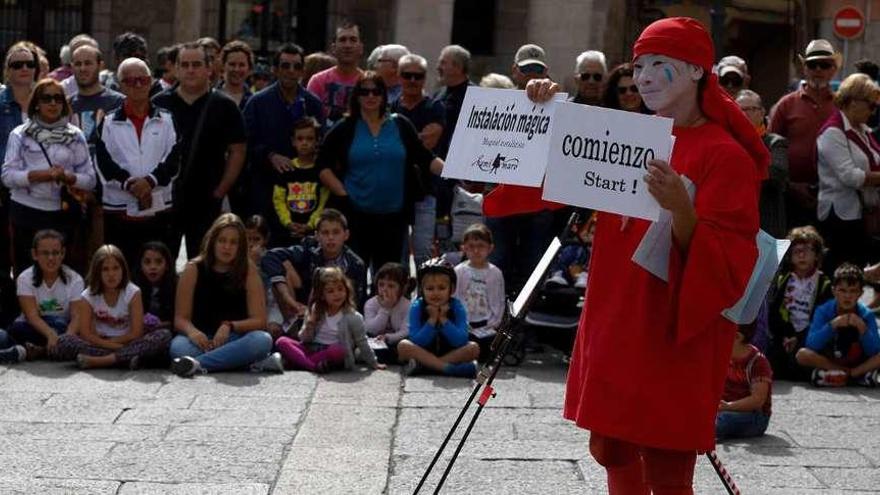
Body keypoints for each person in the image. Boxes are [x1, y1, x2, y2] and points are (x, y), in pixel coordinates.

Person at [528, 17, 769, 492]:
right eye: (639, 66)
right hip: (616, 312)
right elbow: (546, 169)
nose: (644, 77)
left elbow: (731, 261)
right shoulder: (631, 135)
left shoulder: (726, 156)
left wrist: (682, 208)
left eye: (660, 64)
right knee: (610, 445)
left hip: (673, 325)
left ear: (699, 71)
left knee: (667, 456)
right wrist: (540, 108)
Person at [317, 72, 445, 272]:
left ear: (383, 95)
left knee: (388, 278)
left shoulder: (400, 124)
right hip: (356, 216)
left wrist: (458, 170)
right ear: (357, 96)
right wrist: (343, 193)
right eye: (364, 91)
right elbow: (322, 164)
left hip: (393, 217)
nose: (370, 96)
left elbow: (425, 158)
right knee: (354, 275)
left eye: (376, 91)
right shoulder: (346, 127)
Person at [153, 41, 247, 259]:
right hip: (166, 201)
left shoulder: (225, 106)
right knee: (161, 264)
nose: (190, 70)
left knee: (205, 265)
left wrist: (220, 190)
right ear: (175, 69)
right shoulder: (159, 103)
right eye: (184, 65)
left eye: (196, 64)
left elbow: (238, 150)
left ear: (209, 68)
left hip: (207, 201)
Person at [169, 213, 282, 376]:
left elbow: (259, 320)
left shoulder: (248, 270)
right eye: (222, 241)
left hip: (234, 338)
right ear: (213, 241)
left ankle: (197, 364)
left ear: (240, 246)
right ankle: (246, 363)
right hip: (201, 339)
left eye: (233, 242)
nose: (227, 247)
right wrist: (193, 332)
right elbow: (180, 319)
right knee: (178, 348)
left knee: (262, 340)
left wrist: (229, 326)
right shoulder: (193, 268)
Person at [2, 78, 95, 275]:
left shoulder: (75, 135)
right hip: (26, 212)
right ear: (36, 102)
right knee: (27, 273)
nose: (53, 103)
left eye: (58, 98)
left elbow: (90, 179)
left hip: (63, 213)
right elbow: (8, 176)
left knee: (66, 273)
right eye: (46, 98)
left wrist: (68, 177)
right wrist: (39, 175)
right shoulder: (20, 134)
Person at [96, 57, 180, 270]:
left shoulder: (168, 119)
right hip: (119, 210)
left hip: (159, 208)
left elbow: (174, 159)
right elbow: (103, 163)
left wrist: (150, 182)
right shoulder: (107, 122)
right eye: (130, 81)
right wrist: (131, 184)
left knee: (157, 272)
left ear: (151, 81)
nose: (137, 85)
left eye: (142, 80)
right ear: (120, 84)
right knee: (119, 271)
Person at [49, 244, 172, 369]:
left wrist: (114, 343)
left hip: (127, 341)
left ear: (123, 269)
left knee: (163, 335)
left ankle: (104, 361)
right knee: (64, 341)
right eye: (105, 269)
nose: (111, 274)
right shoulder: (87, 296)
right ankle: (126, 358)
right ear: (97, 272)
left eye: (115, 268)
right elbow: (86, 334)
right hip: (99, 343)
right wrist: (111, 346)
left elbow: (136, 332)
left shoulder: (133, 292)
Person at [243, 42, 324, 219]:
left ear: (303, 71)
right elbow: (246, 142)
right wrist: (270, 155)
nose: (291, 71)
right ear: (275, 70)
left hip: (304, 191)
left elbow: (322, 143)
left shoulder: (313, 104)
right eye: (285, 65)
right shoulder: (257, 103)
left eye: (297, 66)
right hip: (265, 187)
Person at [770, 39, 840, 230]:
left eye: (824, 65)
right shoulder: (786, 104)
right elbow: (770, 147)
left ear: (833, 69)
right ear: (804, 68)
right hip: (791, 196)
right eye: (812, 64)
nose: (818, 69)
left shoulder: (841, 104)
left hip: (832, 197)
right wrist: (790, 185)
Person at [816, 73, 880, 272]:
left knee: (858, 272)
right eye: (871, 105)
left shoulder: (863, 130)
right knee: (842, 272)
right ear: (853, 102)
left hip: (862, 214)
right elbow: (851, 177)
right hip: (841, 218)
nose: (873, 111)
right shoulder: (832, 133)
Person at [389, 53, 446, 266]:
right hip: (396, 191)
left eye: (418, 76)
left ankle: (426, 298)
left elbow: (427, 144)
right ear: (398, 76)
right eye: (407, 75)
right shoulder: (391, 107)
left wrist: (402, 140)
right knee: (398, 254)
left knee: (423, 252)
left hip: (425, 189)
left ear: (424, 78)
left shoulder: (434, 106)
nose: (412, 80)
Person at [275, 267, 384, 373]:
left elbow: (362, 342)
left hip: (332, 351)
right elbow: (304, 339)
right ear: (322, 295)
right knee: (282, 341)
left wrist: (373, 362)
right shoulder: (315, 309)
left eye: (340, 289)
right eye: (330, 291)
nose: (337, 294)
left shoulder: (353, 316)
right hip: (312, 348)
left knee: (338, 351)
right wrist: (310, 323)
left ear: (346, 290)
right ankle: (313, 366)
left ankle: (298, 362)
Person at [262, 208, 367, 316]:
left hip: (341, 317)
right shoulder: (309, 250)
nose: (330, 238)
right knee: (286, 265)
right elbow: (270, 256)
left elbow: (356, 304)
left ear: (346, 235)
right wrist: (287, 297)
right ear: (317, 236)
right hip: (306, 311)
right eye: (325, 233)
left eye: (336, 232)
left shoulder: (356, 264)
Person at [0, 230, 83, 363]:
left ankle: (34, 351)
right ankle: (26, 351)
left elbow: (77, 317)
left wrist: (67, 339)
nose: (51, 258)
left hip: (63, 330)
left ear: (63, 254)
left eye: (55, 253)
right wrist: (50, 334)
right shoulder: (25, 278)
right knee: (5, 335)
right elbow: (31, 316)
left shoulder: (75, 279)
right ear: (35, 254)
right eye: (45, 253)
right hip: (33, 328)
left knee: (64, 325)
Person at [796, 263, 880, 387]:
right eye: (842, 290)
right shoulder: (823, 310)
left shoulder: (866, 315)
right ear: (834, 291)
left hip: (858, 362)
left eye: (853, 291)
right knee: (802, 354)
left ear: (860, 293)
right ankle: (849, 374)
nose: (847, 296)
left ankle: (849, 374)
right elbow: (811, 344)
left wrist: (862, 328)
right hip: (830, 360)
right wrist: (833, 325)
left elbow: (874, 350)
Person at [767, 226, 832, 380]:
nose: (802, 255)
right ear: (790, 256)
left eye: (807, 250)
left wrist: (799, 337)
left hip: (810, 335)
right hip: (785, 335)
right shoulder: (784, 280)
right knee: (772, 362)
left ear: (816, 255)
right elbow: (774, 311)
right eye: (797, 251)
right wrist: (786, 334)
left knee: (799, 361)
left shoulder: (823, 283)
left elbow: (822, 317)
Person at [0, 42, 40, 289]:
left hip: (39, 191)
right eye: (17, 64)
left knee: (31, 254)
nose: (24, 68)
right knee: (4, 254)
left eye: (29, 64)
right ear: (7, 71)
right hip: (4, 190)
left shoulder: (48, 99)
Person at [397, 258, 480, 377]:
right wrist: (431, 320)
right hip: (423, 352)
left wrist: (443, 320)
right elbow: (417, 340)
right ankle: (449, 369)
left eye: (441, 288)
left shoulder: (456, 306)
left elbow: (461, 340)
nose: (436, 293)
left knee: (473, 348)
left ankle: (426, 367)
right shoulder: (417, 306)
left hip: (450, 352)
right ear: (422, 289)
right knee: (403, 346)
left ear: (451, 289)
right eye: (430, 289)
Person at [737, 89, 789, 238]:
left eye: (752, 109)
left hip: (766, 225)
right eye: (741, 109)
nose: (746, 114)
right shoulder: (727, 141)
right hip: (737, 221)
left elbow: (776, 173)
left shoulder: (775, 143)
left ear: (762, 112)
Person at [271, 117, 327, 247]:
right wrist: (288, 223)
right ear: (293, 141)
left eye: (310, 139)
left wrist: (310, 225)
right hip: (287, 234)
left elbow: (323, 202)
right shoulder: (286, 169)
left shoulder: (322, 171)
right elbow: (278, 199)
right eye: (300, 139)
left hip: (314, 234)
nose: (305, 143)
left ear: (317, 141)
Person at [715, 322, 772, 440]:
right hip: (724, 408)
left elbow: (757, 400)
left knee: (723, 420)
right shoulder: (722, 355)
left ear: (737, 337)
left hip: (754, 416)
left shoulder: (757, 362)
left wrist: (728, 406)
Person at [307, 20, 364, 126]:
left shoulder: (368, 82)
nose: (348, 45)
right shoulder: (318, 81)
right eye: (342, 40)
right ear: (333, 48)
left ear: (361, 48)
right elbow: (309, 120)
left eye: (353, 40)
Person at [454, 223, 504, 341]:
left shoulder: (495, 273)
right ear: (464, 248)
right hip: (463, 323)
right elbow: (455, 298)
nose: (476, 251)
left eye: (481, 246)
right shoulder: (459, 271)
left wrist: (493, 324)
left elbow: (498, 302)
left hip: (487, 325)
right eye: (471, 246)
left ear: (490, 248)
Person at [244, 214, 284, 338]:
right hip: (247, 304)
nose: (251, 244)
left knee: (274, 329)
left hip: (270, 303)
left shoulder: (270, 258)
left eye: (256, 239)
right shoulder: (239, 259)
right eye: (248, 239)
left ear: (265, 239)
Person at [364, 262, 411, 364]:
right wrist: (385, 309)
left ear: (402, 288)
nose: (384, 289)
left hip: (396, 342)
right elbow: (371, 329)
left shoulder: (408, 305)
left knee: (406, 344)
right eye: (381, 284)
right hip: (376, 341)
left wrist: (388, 337)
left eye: (391, 286)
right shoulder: (371, 303)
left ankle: (402, 358)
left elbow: (405, 331)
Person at [132, 241, 177, 332]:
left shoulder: (177, 286)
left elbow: (180, 320)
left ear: (167, 265)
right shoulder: (132, 288)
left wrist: (160, 325)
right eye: (147, 262)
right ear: (140, 265)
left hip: (167, 332)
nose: (153, 267)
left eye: (158, 262)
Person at [217, 40, 254, 110]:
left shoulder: (255, 102)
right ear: (223, 66)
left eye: (241, 65)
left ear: (249, 69)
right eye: (232, 64)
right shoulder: (209, 99)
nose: (236, 69)